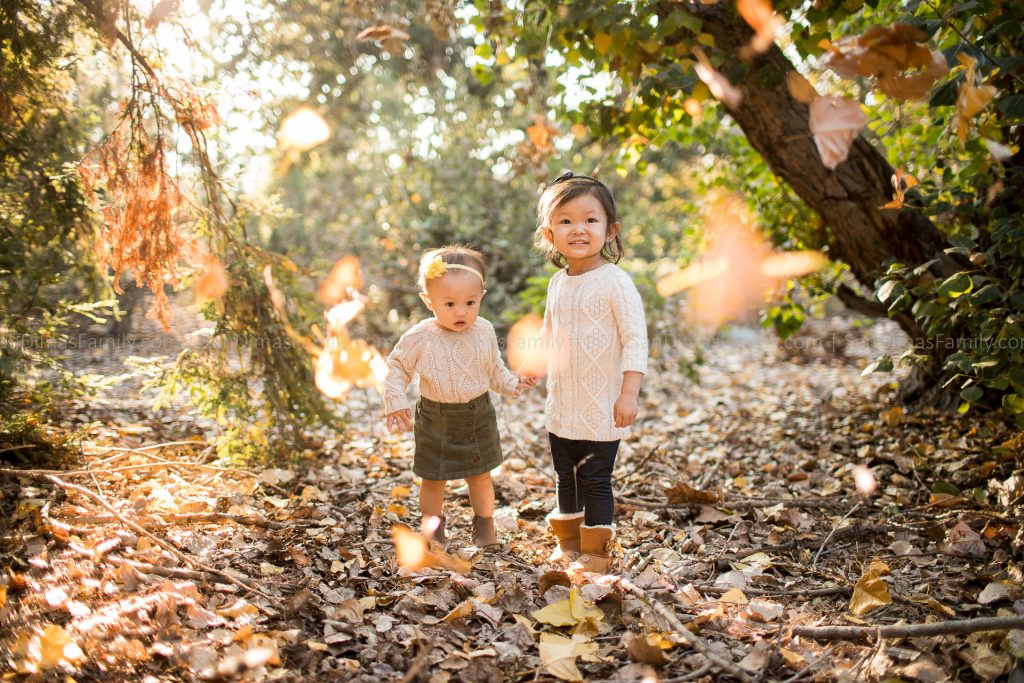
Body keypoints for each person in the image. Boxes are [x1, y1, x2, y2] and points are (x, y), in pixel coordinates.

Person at [533, 171, 648, 574]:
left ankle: (597, 552)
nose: (578, 229)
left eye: (590, 220)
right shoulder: (557, 284)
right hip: (563, 401)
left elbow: (635, 339)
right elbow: (549, 333)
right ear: (550, 234)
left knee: (596, 478)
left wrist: (628, 393)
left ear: (610, 229)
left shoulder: (616, 282)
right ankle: (569, 544)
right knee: (567, 476)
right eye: (565, 220)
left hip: (602, 403)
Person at [383, 246, 536, 549]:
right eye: (449, 303)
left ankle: (484, 527)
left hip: (477, 415)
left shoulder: (485, 331)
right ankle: (433, 529)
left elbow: (494, 369)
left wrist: (513, 383)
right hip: (436, 418)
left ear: (481, 295)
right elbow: (397, 366)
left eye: (470, 302)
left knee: (480, 476)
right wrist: (395, 400)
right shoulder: (421, 336)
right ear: (429, 301)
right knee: (433, 477)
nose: (461, 311)